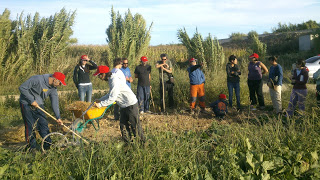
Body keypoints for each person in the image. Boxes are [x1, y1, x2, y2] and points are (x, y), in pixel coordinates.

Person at [93, 63, 145, 143]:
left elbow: (112, 98)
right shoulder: (111, 79)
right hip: (123, 105)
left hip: (130, 104)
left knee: (135, 126)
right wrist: (100, 100)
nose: (99, 78)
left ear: (103, 74)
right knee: (123, 126)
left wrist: (100, 104)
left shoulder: (114, 80)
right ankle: (128, 144)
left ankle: (142, 144)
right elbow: (110, 94)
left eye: (99, 75)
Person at [19, 72, 66, 150]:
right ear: (55, 79)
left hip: (38, 104)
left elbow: (55, 103)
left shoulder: (53, 88)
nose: (60, 85)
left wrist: (58, 117)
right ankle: (31, 148)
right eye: (60, 83)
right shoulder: (37, 79)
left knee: (43, 124)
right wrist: (31, 100)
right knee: (30, 126)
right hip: (26, 103)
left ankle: (48, 146)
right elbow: (22, 88)